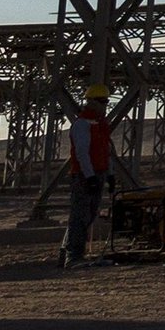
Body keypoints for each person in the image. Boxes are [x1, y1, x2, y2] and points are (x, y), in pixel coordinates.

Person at [59, 81, 113, 267]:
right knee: (80, 215)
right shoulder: (82, 125)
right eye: (102, 101)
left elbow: (106, 151)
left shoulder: (100, 125)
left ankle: (66, 253)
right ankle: (73, 256)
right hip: (84, 176)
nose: (105, 105)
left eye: (106, 101)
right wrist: (89, 176)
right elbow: (82, 152)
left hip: (97, 173)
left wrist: (110, 173)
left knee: (87, 215)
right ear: (92, 102)